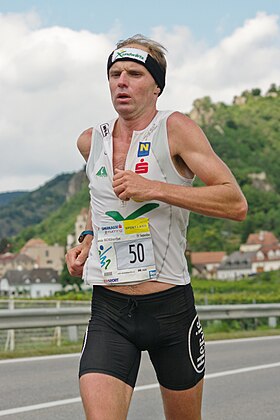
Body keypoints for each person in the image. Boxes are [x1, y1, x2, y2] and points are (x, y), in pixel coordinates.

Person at [66, 34, 248, 420]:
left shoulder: (176, 129)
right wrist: (87, 238)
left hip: (169, 311)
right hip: (110, 309)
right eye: (115, 74)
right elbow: (101, 204)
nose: (122, 82)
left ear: (156, 86)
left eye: (134, 73)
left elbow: (235, 202)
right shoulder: (90, 141)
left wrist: (155, 189)